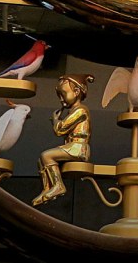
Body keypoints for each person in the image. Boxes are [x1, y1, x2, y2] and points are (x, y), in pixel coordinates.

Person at [33, 73, 95, 206]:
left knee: (46, 155)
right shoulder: (74, 111)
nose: (61, 99)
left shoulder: (81, 111)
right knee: (41, 160)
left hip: (78, 148)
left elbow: (60, 130)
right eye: (59, 96)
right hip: (72, 147)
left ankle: (58, 185)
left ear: (77, 91)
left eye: (64, 94)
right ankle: (47, 188)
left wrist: (56, 120)